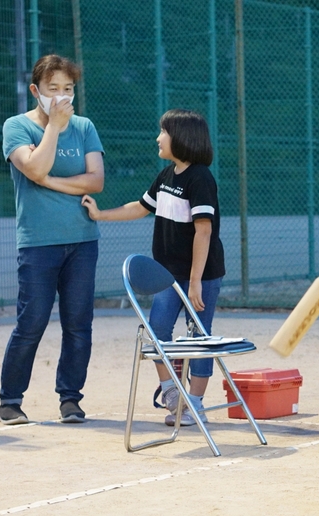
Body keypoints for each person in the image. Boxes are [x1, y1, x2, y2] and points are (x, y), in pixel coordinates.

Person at [82, 109, 223, 427]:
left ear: (182, 138)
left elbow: (204, 231)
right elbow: (141, 206)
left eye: (163, 132)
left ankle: (195, 405)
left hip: (201, 276)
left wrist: (196, 282)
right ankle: (174, 393)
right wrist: (100, 214)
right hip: (167, 276)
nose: (158, 138)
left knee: (199, 340)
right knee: (157, 331)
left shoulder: (201, 178)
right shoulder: (166, 175)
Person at [0, 54, 104, 425]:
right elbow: (35, 167)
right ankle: (10, 399)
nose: (61, 97)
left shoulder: (85, 126)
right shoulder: (16, 127)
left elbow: (96, 181)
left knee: (79, 323)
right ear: (35, 90)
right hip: (38, 241)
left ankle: (70, 399)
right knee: (32, 322)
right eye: (53, 89)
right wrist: (54, 128)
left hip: (82, 240)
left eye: (68, 89)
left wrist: (51, 183)